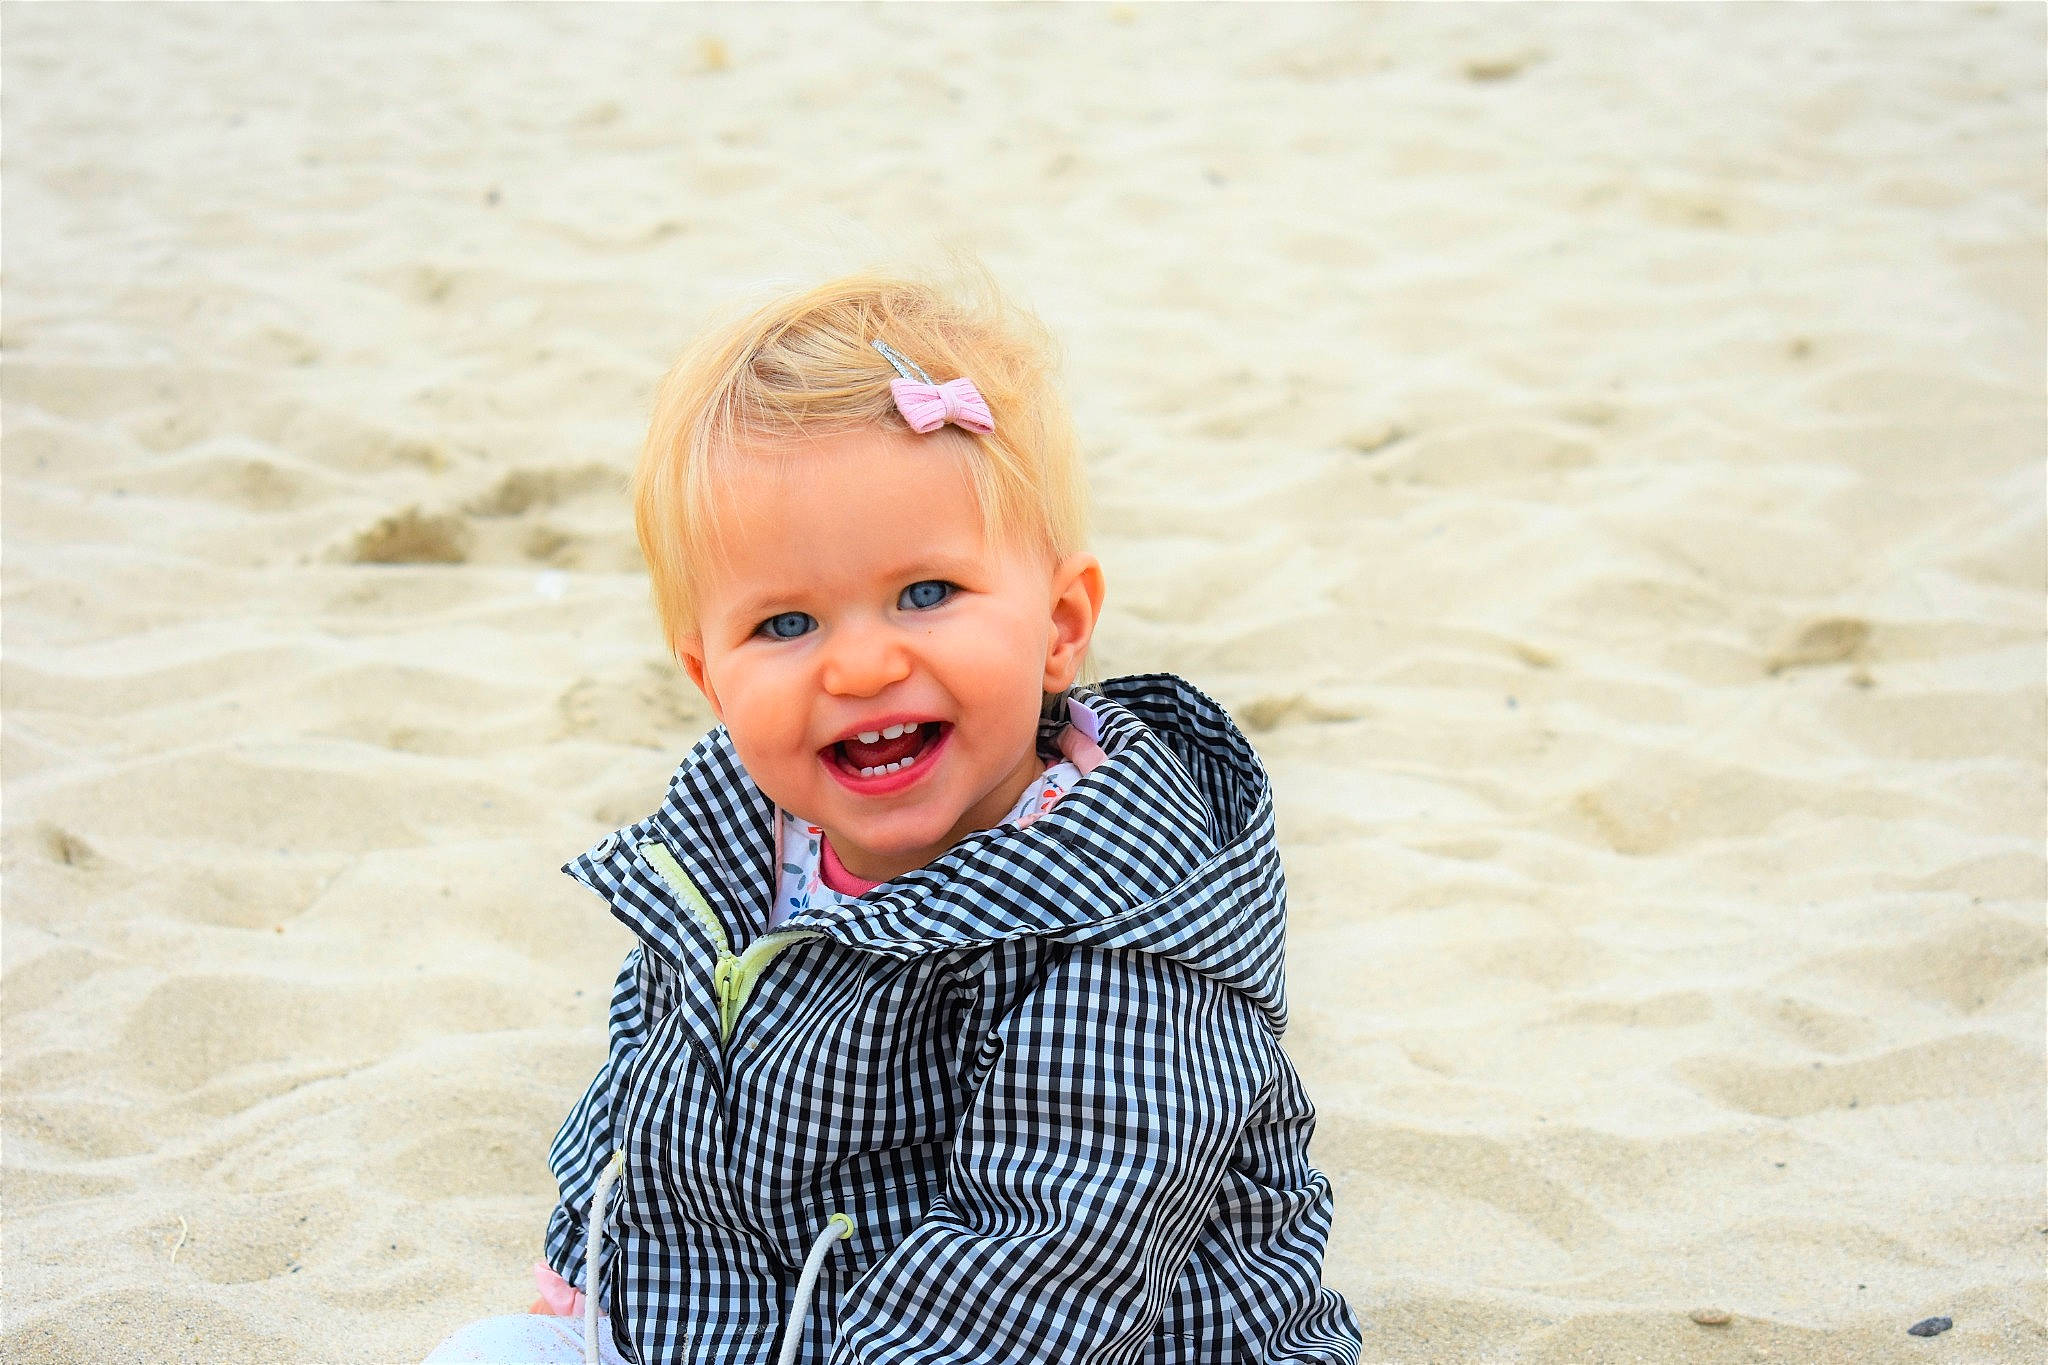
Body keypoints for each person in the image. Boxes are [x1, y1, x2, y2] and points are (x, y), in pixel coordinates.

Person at [425, 260, 1363, 1364]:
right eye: (784, 624)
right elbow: (648, 1089)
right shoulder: (729, 855)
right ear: (708, 678)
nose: (864, 665)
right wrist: (589, 1274)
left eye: (925, 594)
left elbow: (1039, 1276)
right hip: (767, 1315)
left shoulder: (1118, 949)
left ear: (1059, 625)